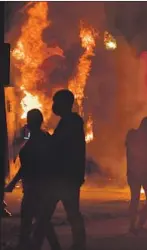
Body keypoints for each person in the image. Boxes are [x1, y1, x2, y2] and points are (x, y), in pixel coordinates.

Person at [31, 90, 86, 250]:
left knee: (49, 213)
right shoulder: (68, 122)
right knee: (57, 213)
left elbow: (61, 146)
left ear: (65, 103)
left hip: (64, 178)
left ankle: (75, 244)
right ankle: (74, 244)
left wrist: (46, 138)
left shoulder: (71, 122)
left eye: (56, 101)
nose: (54, 105)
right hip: (64, 177)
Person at [5, 109, 60, 250]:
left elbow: (27, 166)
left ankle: (26, 244)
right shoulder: (45, 137)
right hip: (43, 186)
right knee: (41, 219)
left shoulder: (35, 141)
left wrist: (12, 183)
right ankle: (46, 245)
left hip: (34, 187)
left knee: (30, 218)